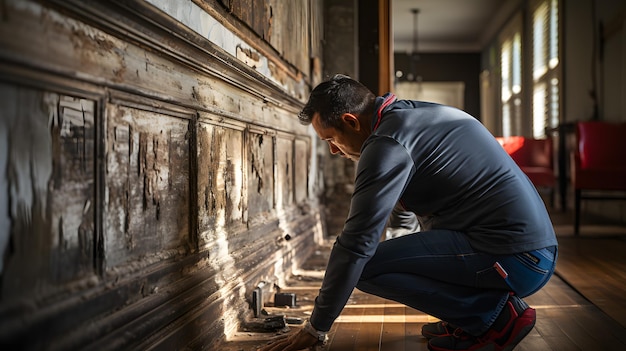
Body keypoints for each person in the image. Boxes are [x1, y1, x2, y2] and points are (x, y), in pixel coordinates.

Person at [258, 74, 557, 351]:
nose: (334, 151)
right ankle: (467, 317)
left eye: (331, 140)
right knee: (380, 259)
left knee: (364, 266)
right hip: (528, 252)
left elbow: (355, 243)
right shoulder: (404, 117)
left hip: (516, 258)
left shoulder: (387, 143)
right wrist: (406, 259)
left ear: (351, 121)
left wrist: (316, 327)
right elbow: (403, 210)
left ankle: (495, 318)